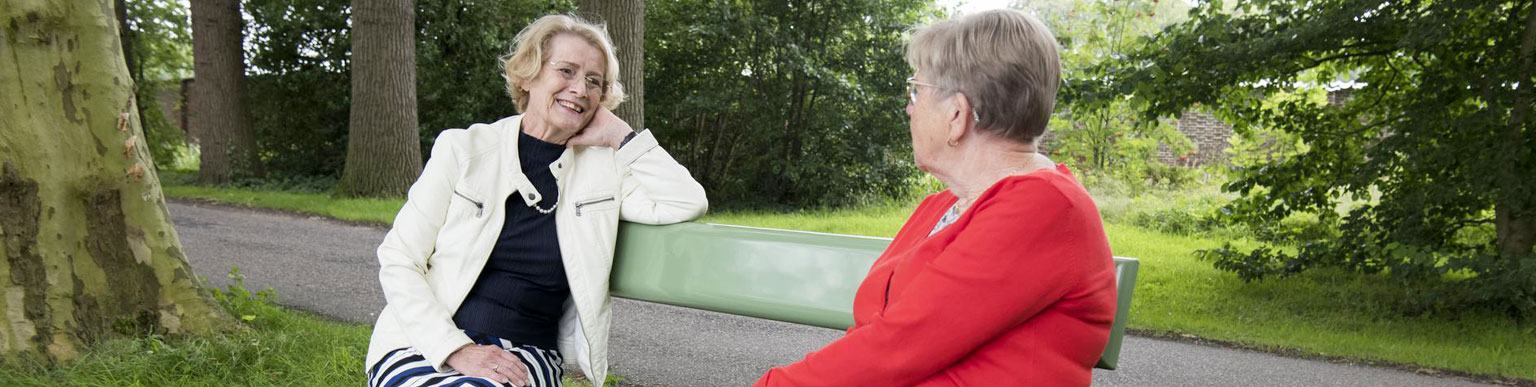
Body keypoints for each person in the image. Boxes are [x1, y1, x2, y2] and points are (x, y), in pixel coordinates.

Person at [754, 9, 1116, 387]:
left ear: (957, 114)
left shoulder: (1045, 207)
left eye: (916, 91)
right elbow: (874, 337)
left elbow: (894, 349)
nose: (909, 108)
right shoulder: (943, 206)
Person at [364, 14, 708, 387]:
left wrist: (621, 136)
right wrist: (455, 349)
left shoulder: (605, 171)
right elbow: (399, 258)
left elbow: (686, 201)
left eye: (594, 81)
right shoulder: (464, 149)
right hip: (427, 345)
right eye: (567, 71)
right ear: (528, 75)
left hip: (525, 356)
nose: (580, 89)